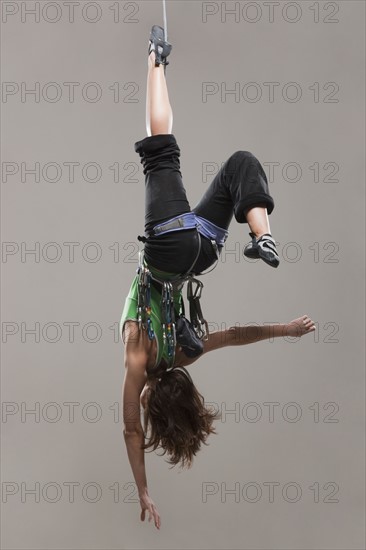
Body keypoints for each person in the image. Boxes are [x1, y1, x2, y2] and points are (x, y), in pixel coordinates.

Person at [120, 25, 316, 530]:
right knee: (160, 150)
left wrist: (284, 330)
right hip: (170, 247)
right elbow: (128, 431)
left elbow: (236, 335)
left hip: (201, 252)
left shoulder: (190, 352)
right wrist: (142, 489)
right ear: (151, 401)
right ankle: (154, 59)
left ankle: (263, 232)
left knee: (238, 166)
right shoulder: (140, 358)